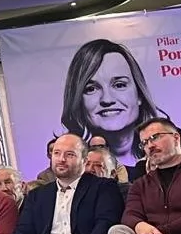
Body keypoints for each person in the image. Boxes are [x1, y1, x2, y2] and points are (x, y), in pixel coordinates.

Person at [60, 39, 169, 167]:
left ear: (139, 94)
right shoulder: (69, 165)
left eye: (119, 85)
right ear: (78, 101)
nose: (107, 99)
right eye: (91, 89)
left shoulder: (172, 144)